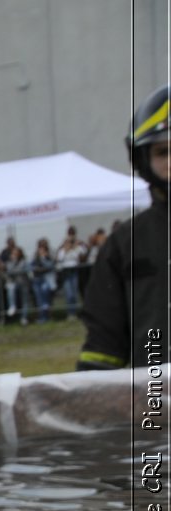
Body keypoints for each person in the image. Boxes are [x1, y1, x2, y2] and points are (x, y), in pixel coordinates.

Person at [78, 85, 170, 371]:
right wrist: (90, 400)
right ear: (143, 160)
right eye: (163, 151)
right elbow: (104, 345)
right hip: (160, 405)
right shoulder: (125, 244)